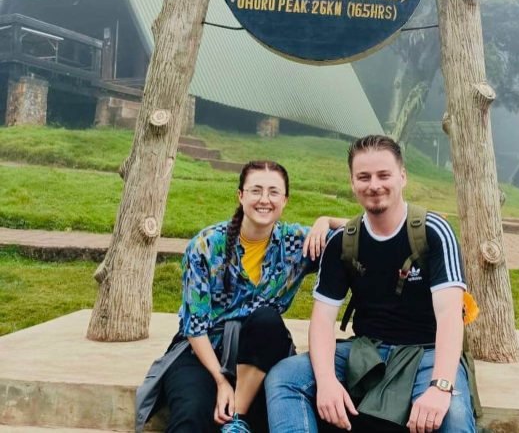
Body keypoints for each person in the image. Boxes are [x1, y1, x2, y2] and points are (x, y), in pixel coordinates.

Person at [265, 135, 476, 433]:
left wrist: (441, 387)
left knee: (452, 416)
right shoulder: (343, 241)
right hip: (366, 350)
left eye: (384, 175)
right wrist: (326, 382)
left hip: (426, 353)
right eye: (364, 177)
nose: (374, 185)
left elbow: (450, 316)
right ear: (352, 182)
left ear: (402, 176)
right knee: (284, 377)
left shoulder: (433, 232)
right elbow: (323, 320)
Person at [135, 160, 346, 433]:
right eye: (256, 190)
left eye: (273, 192)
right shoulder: (206, 245)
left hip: (262, 351)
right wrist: (221, 382)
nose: (264, 200)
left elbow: (366, 230)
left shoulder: (297, 242)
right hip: (205, 351)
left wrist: (326, 221)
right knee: (192, 416)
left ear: (285, 200)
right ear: (241, 195)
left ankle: (237, 418)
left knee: (266, 321)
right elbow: (195, 327)